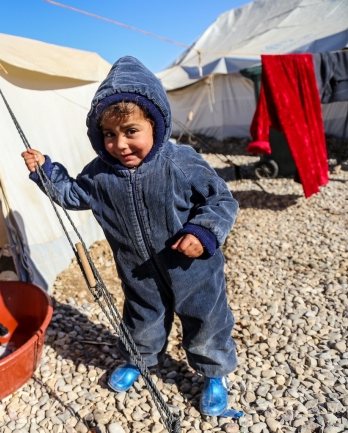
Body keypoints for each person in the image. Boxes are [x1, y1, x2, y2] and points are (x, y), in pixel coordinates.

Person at [21, 56, 240, 417]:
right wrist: (46, 171)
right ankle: (140, 359)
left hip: (192, 267)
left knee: (206, 320)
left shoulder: (179, 161)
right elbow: (73, 195)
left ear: (156, 125)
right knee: (142, 318)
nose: (120, 144)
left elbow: (219, 199)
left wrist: (202, 232)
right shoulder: (98, 175)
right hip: (138, 270)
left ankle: (213, 373)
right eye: (109, 134)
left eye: (131, 131)